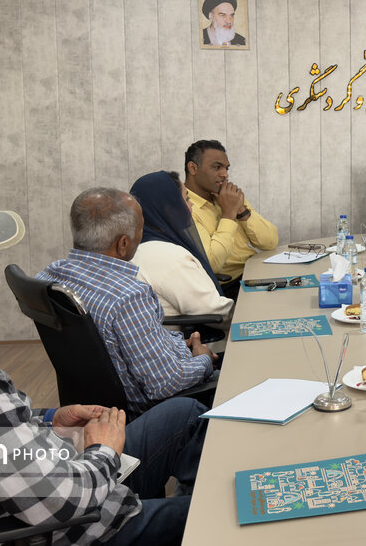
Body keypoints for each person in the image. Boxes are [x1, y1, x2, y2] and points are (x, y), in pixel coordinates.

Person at [0, 202, 207, 545]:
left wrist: (47, 420)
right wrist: (104, 450)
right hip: (82, 525)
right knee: (221, 516)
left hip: (49, 473)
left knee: (184, 414)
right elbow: (62, 503)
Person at [38, 188, 218, 414]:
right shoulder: (129, 297)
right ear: (123, 244)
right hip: (146, 413)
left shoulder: (49, 276)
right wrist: (203, 359)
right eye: (141, 229)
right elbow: (166, 384)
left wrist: (180, 345)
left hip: (92, 408)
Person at [130, 171, 233, 319]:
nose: (191, 206)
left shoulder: (137, 248)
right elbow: (216, 312)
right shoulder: (168, 257)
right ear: (169, 210)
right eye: (186, 199)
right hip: (200, 331)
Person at [184, 139, 278, 287]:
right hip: (230, 285)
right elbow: (213, 264)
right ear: (193, 168)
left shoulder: (228, 196)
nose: (225, 175)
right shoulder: (185, 208)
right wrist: (228, 214)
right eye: (217, 167)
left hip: (255, 271)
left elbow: (270, 242)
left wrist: (241, 210)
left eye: (226, 168)